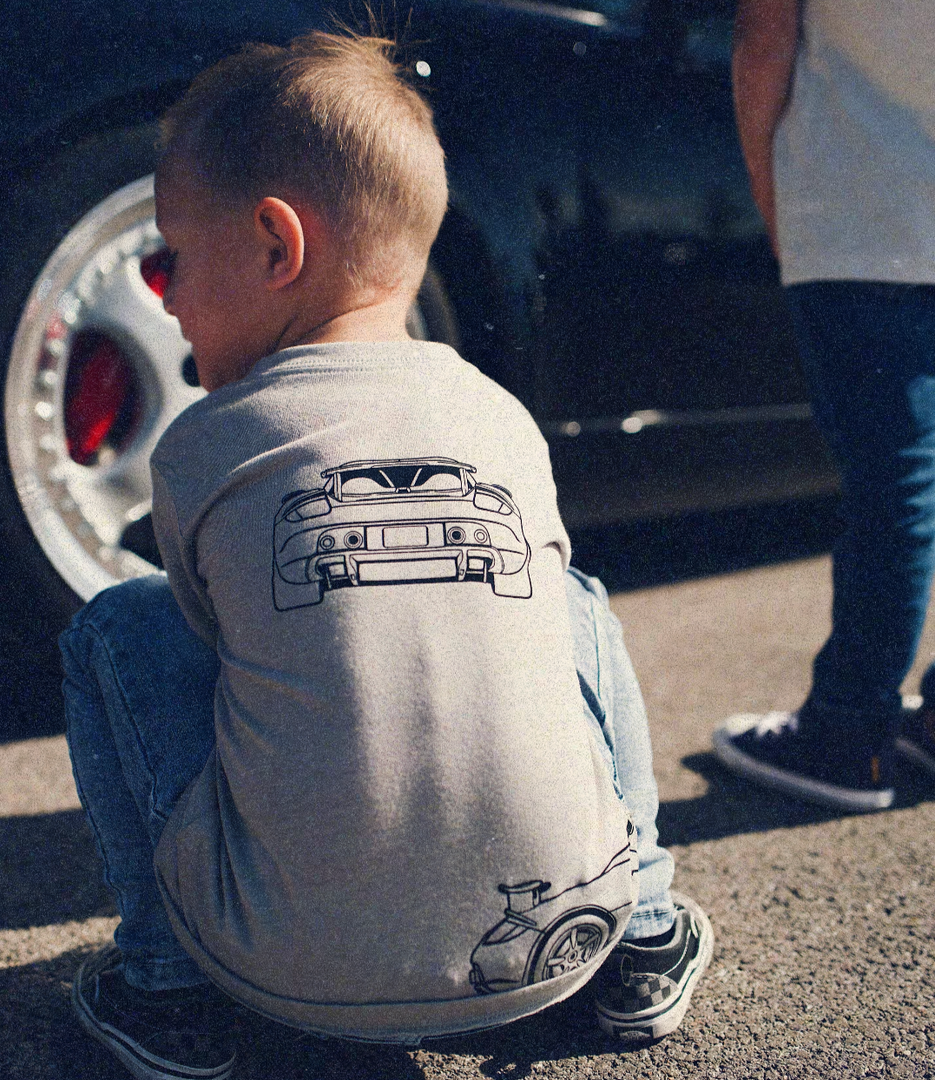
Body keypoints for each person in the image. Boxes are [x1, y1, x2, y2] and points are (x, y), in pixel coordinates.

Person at [60, 32, 712, 1080]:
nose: (168, 296)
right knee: (573, 599)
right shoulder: (501, 420)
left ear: (277, 247)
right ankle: (637, 924)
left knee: (119, 625)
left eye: (173, 257)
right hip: (555, 953)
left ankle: (165, 986)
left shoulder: (203, 446)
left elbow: (213, 646)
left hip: (277, 974)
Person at [715, 0, 935, 811]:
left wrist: (777, 200)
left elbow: (763, 35)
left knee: (895, 488)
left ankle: (846, 736)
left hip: (862, 206)